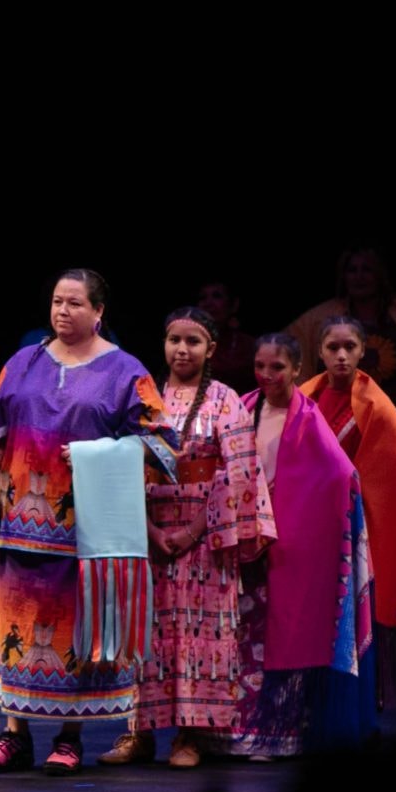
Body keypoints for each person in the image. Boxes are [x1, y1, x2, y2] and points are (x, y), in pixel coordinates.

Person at [0, 269, 157, 774]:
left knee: (72, 634)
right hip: (20, 527)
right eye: (57, 302)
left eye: (75, 303)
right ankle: (14, 734)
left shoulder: (125, 371)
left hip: (85, 530)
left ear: (99, 312)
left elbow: (159, 442)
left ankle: (69, 736)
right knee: (15, 628)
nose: (63, 311)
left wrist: (95, 452)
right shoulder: (22, 363)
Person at [101, 306, 275, 768]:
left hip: (206, 539)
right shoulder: (145, 396)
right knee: (147, 633)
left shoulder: (225, 400)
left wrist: (194, 531)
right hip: (148, 533)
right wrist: (153, 530)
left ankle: (190, 735)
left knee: (198, 637)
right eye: (174, 339)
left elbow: (239, 475)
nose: (182, 349)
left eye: (193, 341)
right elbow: (123, 465)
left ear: (210, 349)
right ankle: (136, 733)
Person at [228, 332, 373, 760]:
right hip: (244, 541)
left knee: (286, 635)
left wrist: (296, 515)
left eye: (278, 367)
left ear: (297, 371)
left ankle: (280, 733)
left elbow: (342, 476)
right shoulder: (243, 408)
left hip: (289, 543)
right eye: (261, 366)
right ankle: (237, 731)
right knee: (245, 637)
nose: (268, 375)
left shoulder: (307, 418)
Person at [299, 315, 396, 738]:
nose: (341, 356)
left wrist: (360, 492)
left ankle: (357, 711)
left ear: (363, 353)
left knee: (353, 617)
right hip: (310, 526)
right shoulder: (306, 397)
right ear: (319, 352)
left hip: (355, 530)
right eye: (332, 348)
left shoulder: (375, 403)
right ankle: (310, 710)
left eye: (350, 348)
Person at [284, 248, 396, 399]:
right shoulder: (318, 318)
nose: (359, 277)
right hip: (334, 418)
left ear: (380, 274)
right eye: (352, 270)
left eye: (367, 270)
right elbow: (287, 349)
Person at [196, 280, 260, 395]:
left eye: (216, 296)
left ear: (234, 305)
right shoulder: (189, 345)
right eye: (203, 298)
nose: (208, 303)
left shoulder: (249, 346)